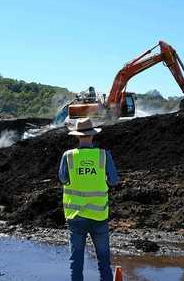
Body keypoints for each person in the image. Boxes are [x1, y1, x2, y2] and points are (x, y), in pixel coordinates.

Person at [58, 117, 119, 281]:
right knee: (104, 261)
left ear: (77, 136)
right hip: (99, 216)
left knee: (76, 262)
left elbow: (63, 179)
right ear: (92, 135)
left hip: (75, 216)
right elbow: (114, 181)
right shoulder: (104, 155)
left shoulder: (68, 156)